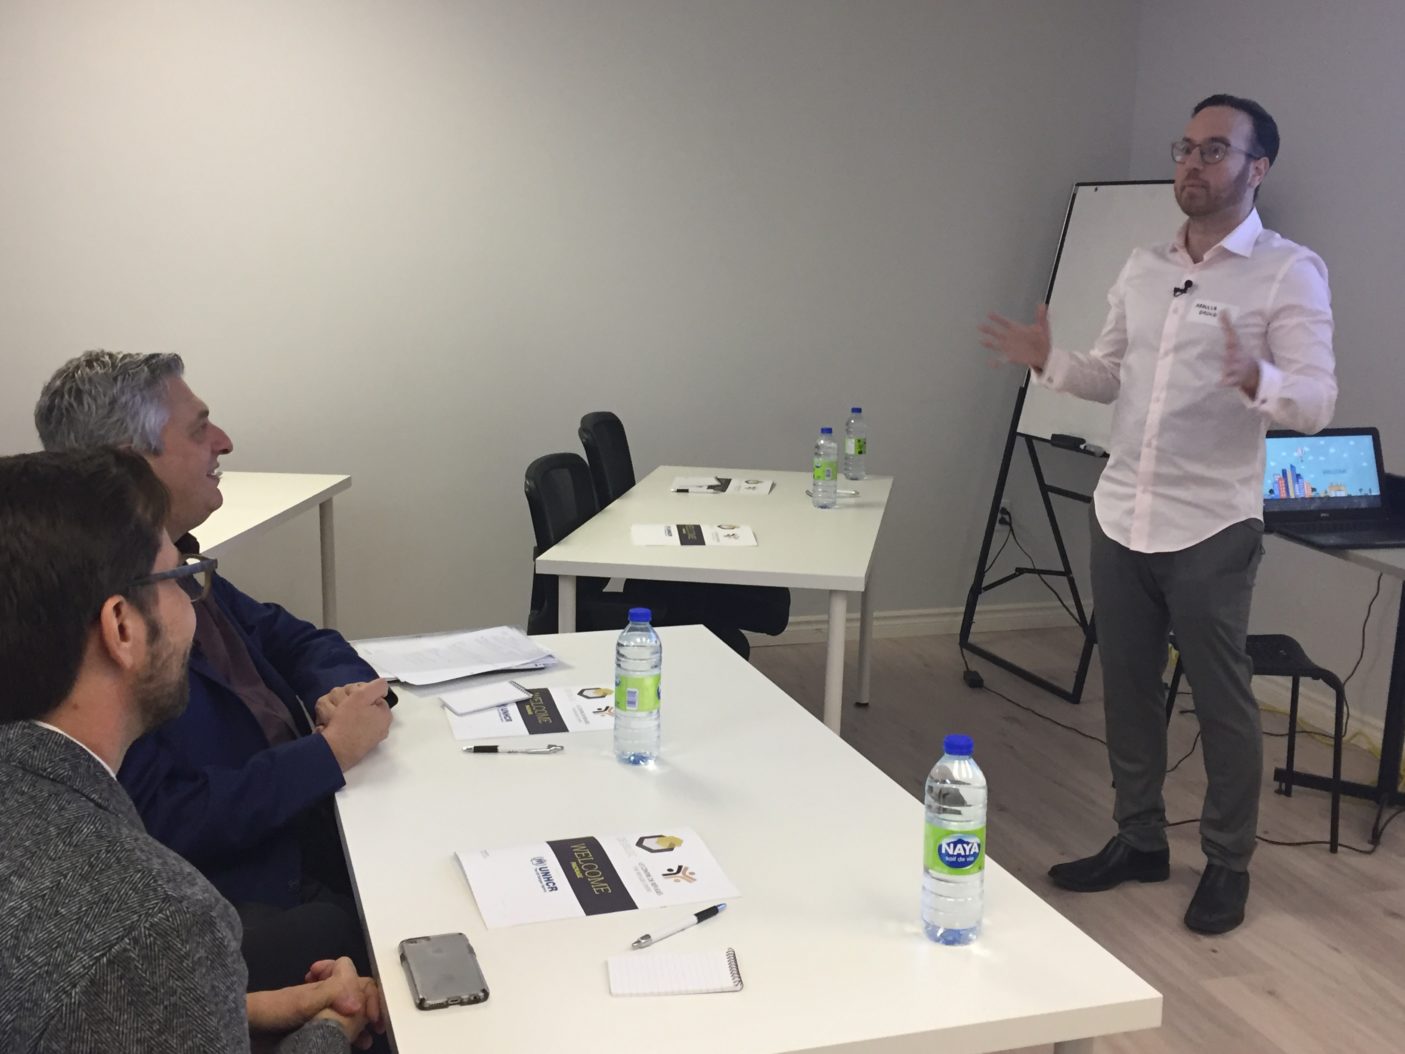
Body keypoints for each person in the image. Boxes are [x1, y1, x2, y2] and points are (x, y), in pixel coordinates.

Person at [980, 94, 1336, 934]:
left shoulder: (1288, 270)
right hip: (1122, 509)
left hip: (1211, 522)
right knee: (1128, 692)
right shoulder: (1143, 265)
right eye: (1185, 148)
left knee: (1220, 701)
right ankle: (1138, 839)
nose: (1191, 164)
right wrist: (1051, 363)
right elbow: (1109, 374)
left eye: (1214, 151)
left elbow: (1316, 401)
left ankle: (1226, 861)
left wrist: (1261, 382)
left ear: (1257, 168)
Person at [0, 447, 384, 1052]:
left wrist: (245, 1007)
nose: (195, 605)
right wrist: (332, 1030)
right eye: (181, 581)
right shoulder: (160, 922)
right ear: (122, 628)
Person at [34, 350, 394, 989]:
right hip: (258, 883)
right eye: (199, 428)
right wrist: (329, 754)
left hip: (310, 814)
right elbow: (157, 817)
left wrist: (337, 692)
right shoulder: (97, 625)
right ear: (130, 460)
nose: (223, 442)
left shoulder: (175, 561)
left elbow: (291, 636)